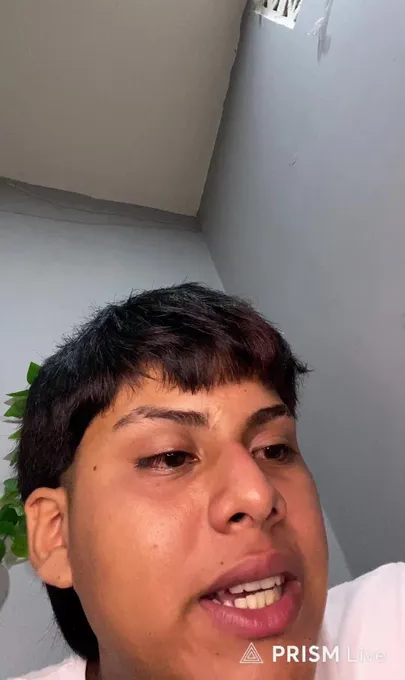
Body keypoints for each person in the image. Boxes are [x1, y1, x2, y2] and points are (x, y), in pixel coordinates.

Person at [8, 283, 405, 680]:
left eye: (274, 450)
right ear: (57, 535)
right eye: (171, 457)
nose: (258, 494)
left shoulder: (387, 622)